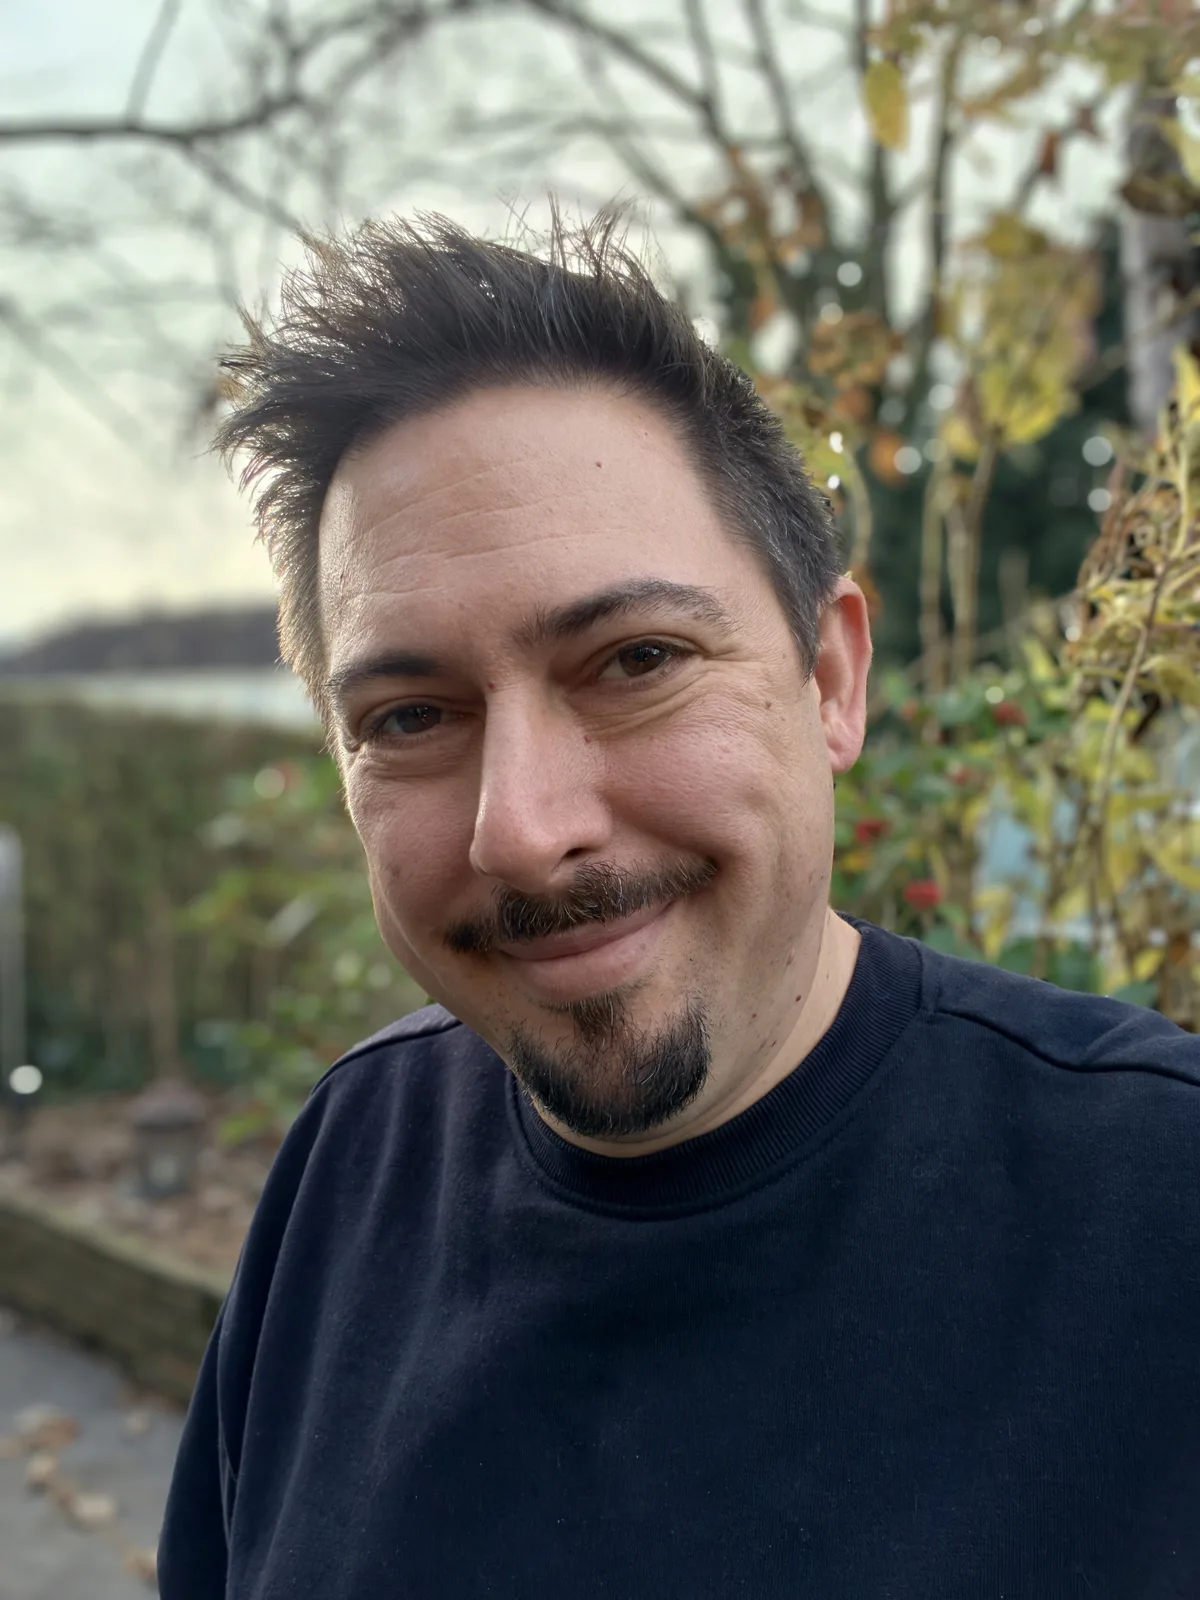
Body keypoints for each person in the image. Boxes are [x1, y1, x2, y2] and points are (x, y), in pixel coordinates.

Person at [159, 210, 1200, 1599]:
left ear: (830, 681)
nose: (523, 832)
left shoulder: (1157, 1210)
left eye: (636, 660)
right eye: (410, 716)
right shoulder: (351, 1162)